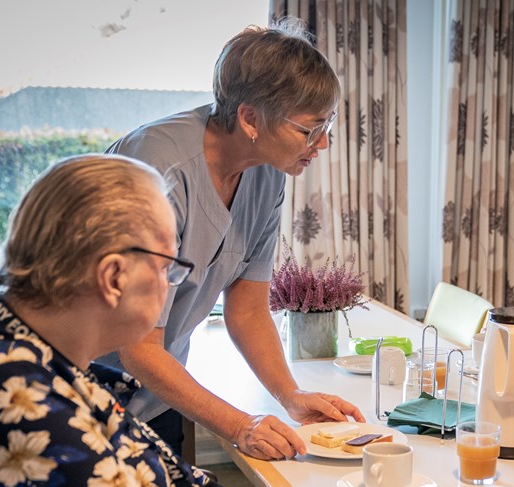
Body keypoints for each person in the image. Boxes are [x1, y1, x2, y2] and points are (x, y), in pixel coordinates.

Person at [0, 154, 514, 487]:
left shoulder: (17, 349)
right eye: (169, 262)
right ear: (111, 277)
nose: (177, 282)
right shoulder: (7, 393)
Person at [101, 18, 359, 461]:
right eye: (309, 129)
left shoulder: (266, 173)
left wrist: (289, 394)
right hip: (77, 391)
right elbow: (138, 346)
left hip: (155, 395)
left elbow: (247, 307)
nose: (323, 143)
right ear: (251, 119)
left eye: (327, 125)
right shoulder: (159, 171)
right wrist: (242, 425)